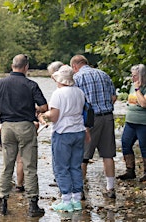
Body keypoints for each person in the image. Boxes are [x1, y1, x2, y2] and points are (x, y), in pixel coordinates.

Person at [0, 54, 48, 217]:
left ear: (12, 65)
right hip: (26, 126)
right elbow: (44, 106)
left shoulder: (0, 83)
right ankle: (33, 205)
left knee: (7, 165)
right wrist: (32, 109)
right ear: (26, 67)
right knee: (29, 166)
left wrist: (6, 109)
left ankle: (3, 202)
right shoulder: (31, 84)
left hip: (6, 127)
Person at [41, 65, 87, 212]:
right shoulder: (80, 92)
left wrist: (44, 115)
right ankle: (77, 200)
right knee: (75, 166)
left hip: (63, 132)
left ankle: (66, 200)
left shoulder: (58, 93)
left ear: (60, 79)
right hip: (79, 131)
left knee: (61, 167)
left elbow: (54, 116)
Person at [70, 55, 118, 199]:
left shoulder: (78, 78)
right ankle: (110, 189)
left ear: (74, 66)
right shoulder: (103, 74)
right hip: (107, 116)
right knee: (108, 155)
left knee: (83, 156)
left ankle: (80, 190)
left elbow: (76, 101)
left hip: (90, 119)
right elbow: (114, 97)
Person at [117, 64, 146, 183]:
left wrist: (137, 90)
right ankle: (130, 170)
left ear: (141, 76)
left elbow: (145, 103)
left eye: (134, 75)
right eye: (132, 75)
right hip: (131, 121)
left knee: (144, 147)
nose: (132, 77)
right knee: (125, 144)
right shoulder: (132, 86)